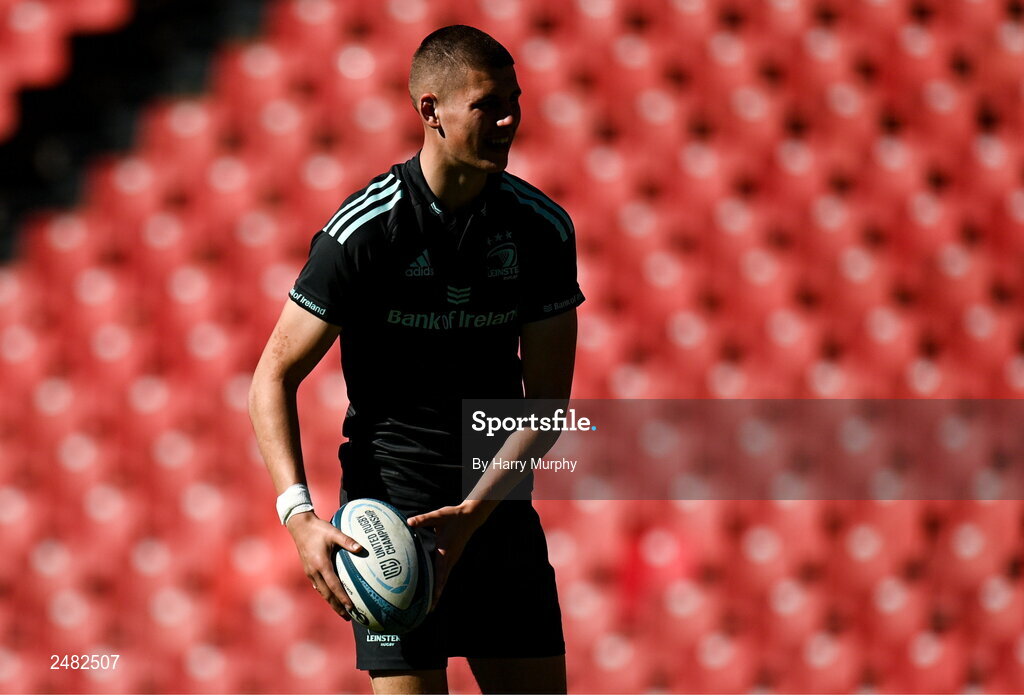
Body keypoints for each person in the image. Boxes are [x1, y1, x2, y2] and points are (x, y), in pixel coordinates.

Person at [248, 24, 584, 694]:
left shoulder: (541, 231)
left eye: (516, 101)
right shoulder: (365, 232)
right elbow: (271, 378)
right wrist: (298, 515)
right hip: (388, 524)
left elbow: (547, 406)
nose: (510, 119)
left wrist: (472, 515)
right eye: (489, 104)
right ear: (429, 109)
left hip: (495, 515)